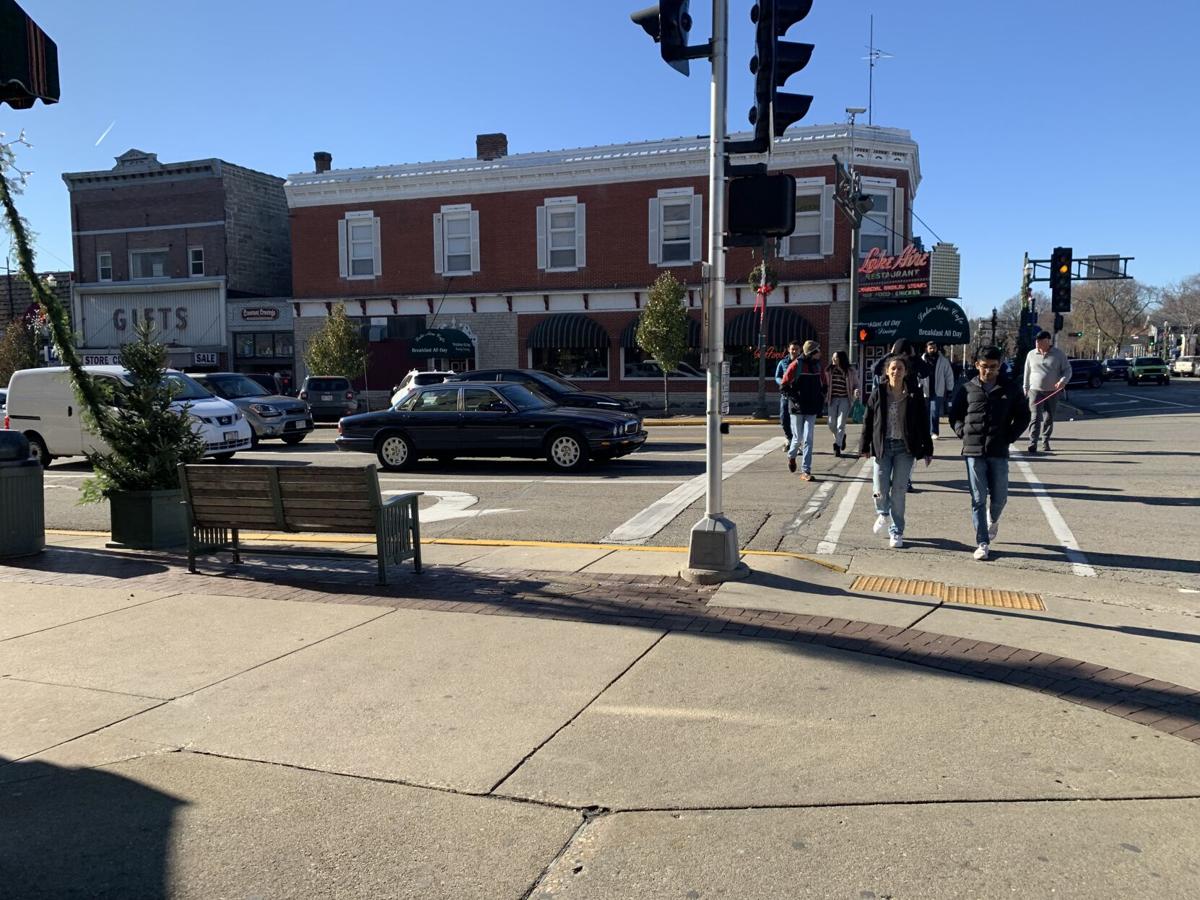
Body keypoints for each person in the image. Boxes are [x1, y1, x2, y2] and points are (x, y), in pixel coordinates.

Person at [948, 346, 1032, 561]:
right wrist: (962, 432)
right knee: (978, 498)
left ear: (1000, 366)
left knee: (1000, 497)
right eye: (984, 367)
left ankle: (993, 519)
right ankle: (982, 542)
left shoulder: (1010, 389)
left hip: (998, 449)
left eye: (993, 367)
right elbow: (954, 415)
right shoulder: (967, 388)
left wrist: (1009, 436)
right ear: (977, 365)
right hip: (973, 450)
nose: (989, 371)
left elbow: (1023, 416)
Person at [859, 354, 933, 549]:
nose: (896, 372)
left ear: (906, 372)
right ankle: (883, 513)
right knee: (880, 489)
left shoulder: (914, 394)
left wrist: (928, 449)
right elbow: (868, 419)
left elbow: (924, 423)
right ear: (887, 371)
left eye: (900, 368)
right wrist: (864, 445)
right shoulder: (879, 392)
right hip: (883, 447)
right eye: (893, 368)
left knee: (899, 491)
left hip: (905, 449)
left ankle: (897, 531)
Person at [781, 339, 826, 481]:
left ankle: (806, 471)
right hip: (797, 408)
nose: (820, 353)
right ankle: (791, 456)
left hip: (812, 408)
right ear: (812, 352)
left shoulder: (819, 366)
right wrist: (795, 399)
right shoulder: (796, 365)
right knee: (798, 438)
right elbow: (784, 385)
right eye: (818, 350)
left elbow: (824, 384)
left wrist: (821, 398)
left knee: (809, 439)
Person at [1023, 331, 1072, 454]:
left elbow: (1067, 370)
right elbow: (1027, 371)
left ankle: (1045, 441)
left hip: (1052, 391)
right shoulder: (1031, 354)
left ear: (1047, 341)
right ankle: (1032, 442)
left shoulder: (1058, 354)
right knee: (1035, 416)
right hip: (1035, 390)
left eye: (1040, 341)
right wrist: (1025, 387)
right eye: (1036, 341)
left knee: (1049, 417)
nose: (1037, 343)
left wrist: (1063, 381)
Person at [825, 350, 859, 457]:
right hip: (832, 399)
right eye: (833, 357)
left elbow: (856, 384)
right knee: (831, 424)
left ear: (842, 359)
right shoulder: (829, 370)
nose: (833, 359)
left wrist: (856, 391)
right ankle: (842, 436)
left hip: (845, 399)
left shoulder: (850, 371)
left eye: (836, 357)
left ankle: (837, 446)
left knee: (840, 424)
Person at [921, 341, 955, 440]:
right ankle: (926, 432)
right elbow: (917, 374)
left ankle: (934, 432)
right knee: (925, 412)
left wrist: (950, 389)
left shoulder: (943, 361)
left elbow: (949, 375)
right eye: (930, 348)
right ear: (926, 349)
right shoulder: (922, 360)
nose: (932, 350)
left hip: (937, 389)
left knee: (934, 411)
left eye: (934, 348)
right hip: (924, 390)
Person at [774, 341, 801, 449]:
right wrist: (782, 382)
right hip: (786, 395)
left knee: (797, 420)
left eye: (796, 349)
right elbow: (777, 376)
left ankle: (796, 442)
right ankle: (789, 438)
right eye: (792, 349)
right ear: (789, 349)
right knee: (784, 418)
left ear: (800, 350)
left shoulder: (802, 363)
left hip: (798, 395)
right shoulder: (782, 362)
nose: (794, 351)